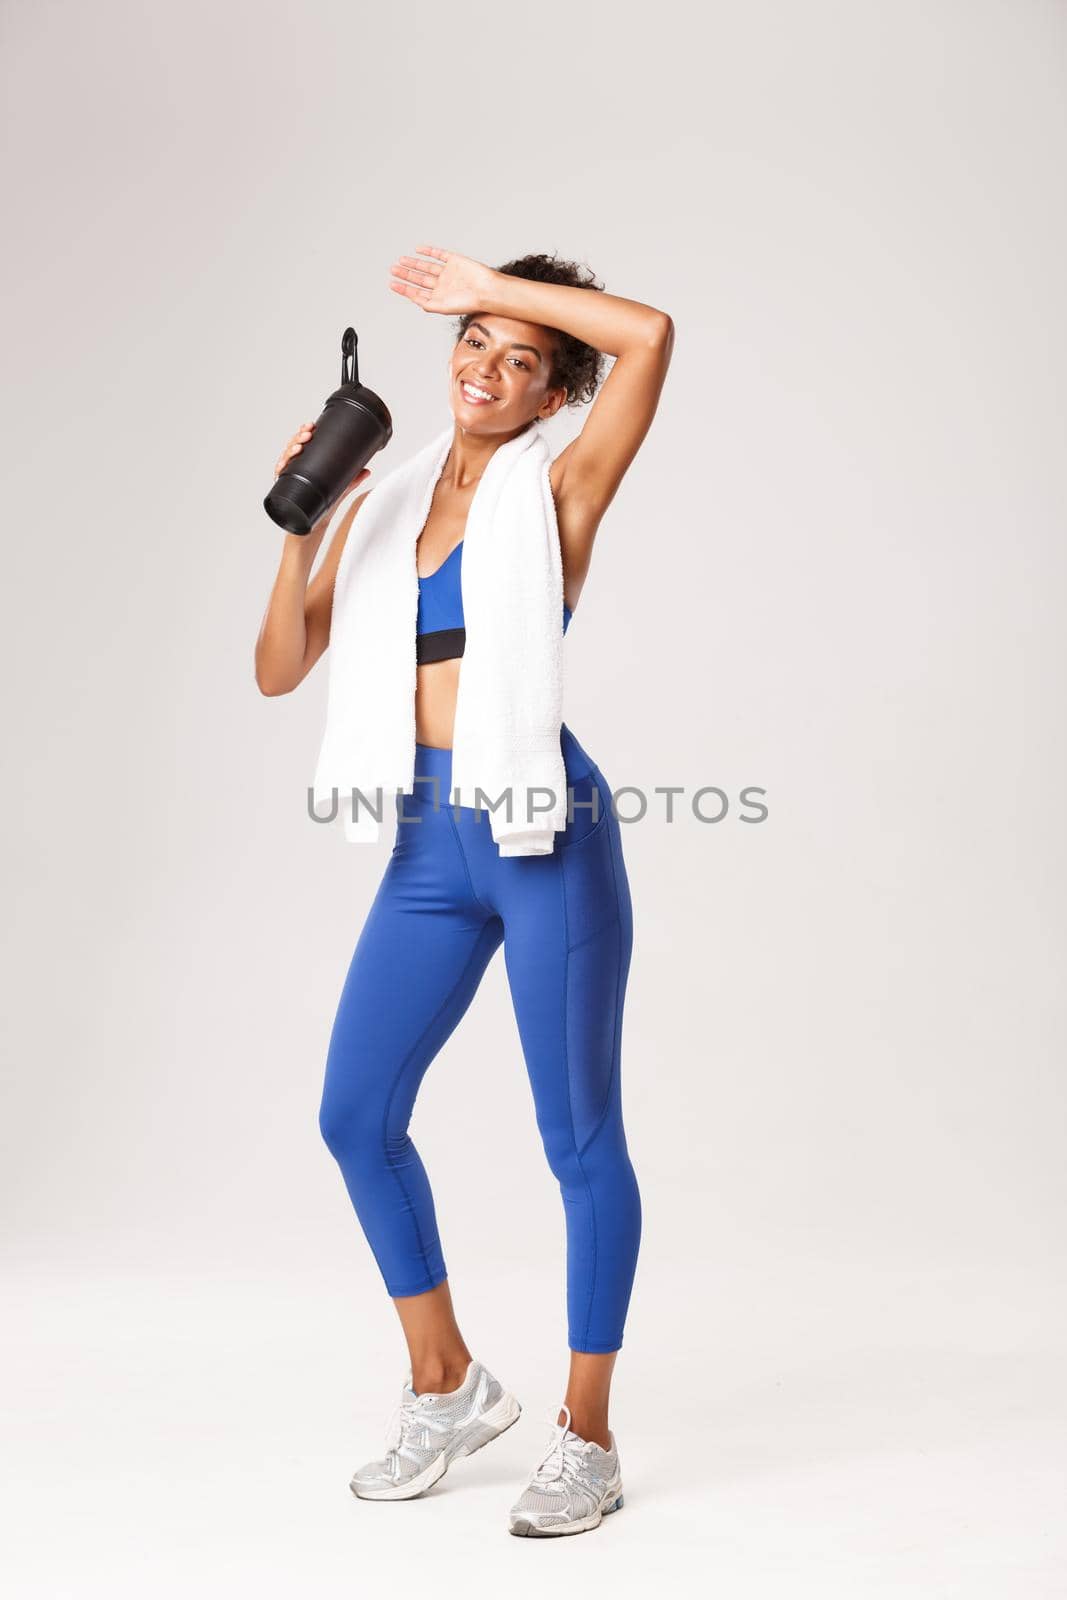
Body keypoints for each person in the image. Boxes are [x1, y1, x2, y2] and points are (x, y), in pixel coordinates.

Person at [255, 244, 674, 1537]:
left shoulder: (562, 489)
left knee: (578, 1141)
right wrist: (302, 524)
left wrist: (486, 281)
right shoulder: (385, 510)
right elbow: (280, 669)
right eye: (473, 346)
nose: (485, 368)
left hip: (546, 830)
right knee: (353, 1115)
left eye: (519, 359)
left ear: (554, 398)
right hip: (428, 846)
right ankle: (446, 1383)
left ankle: (587, 1435)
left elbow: (649, 334)